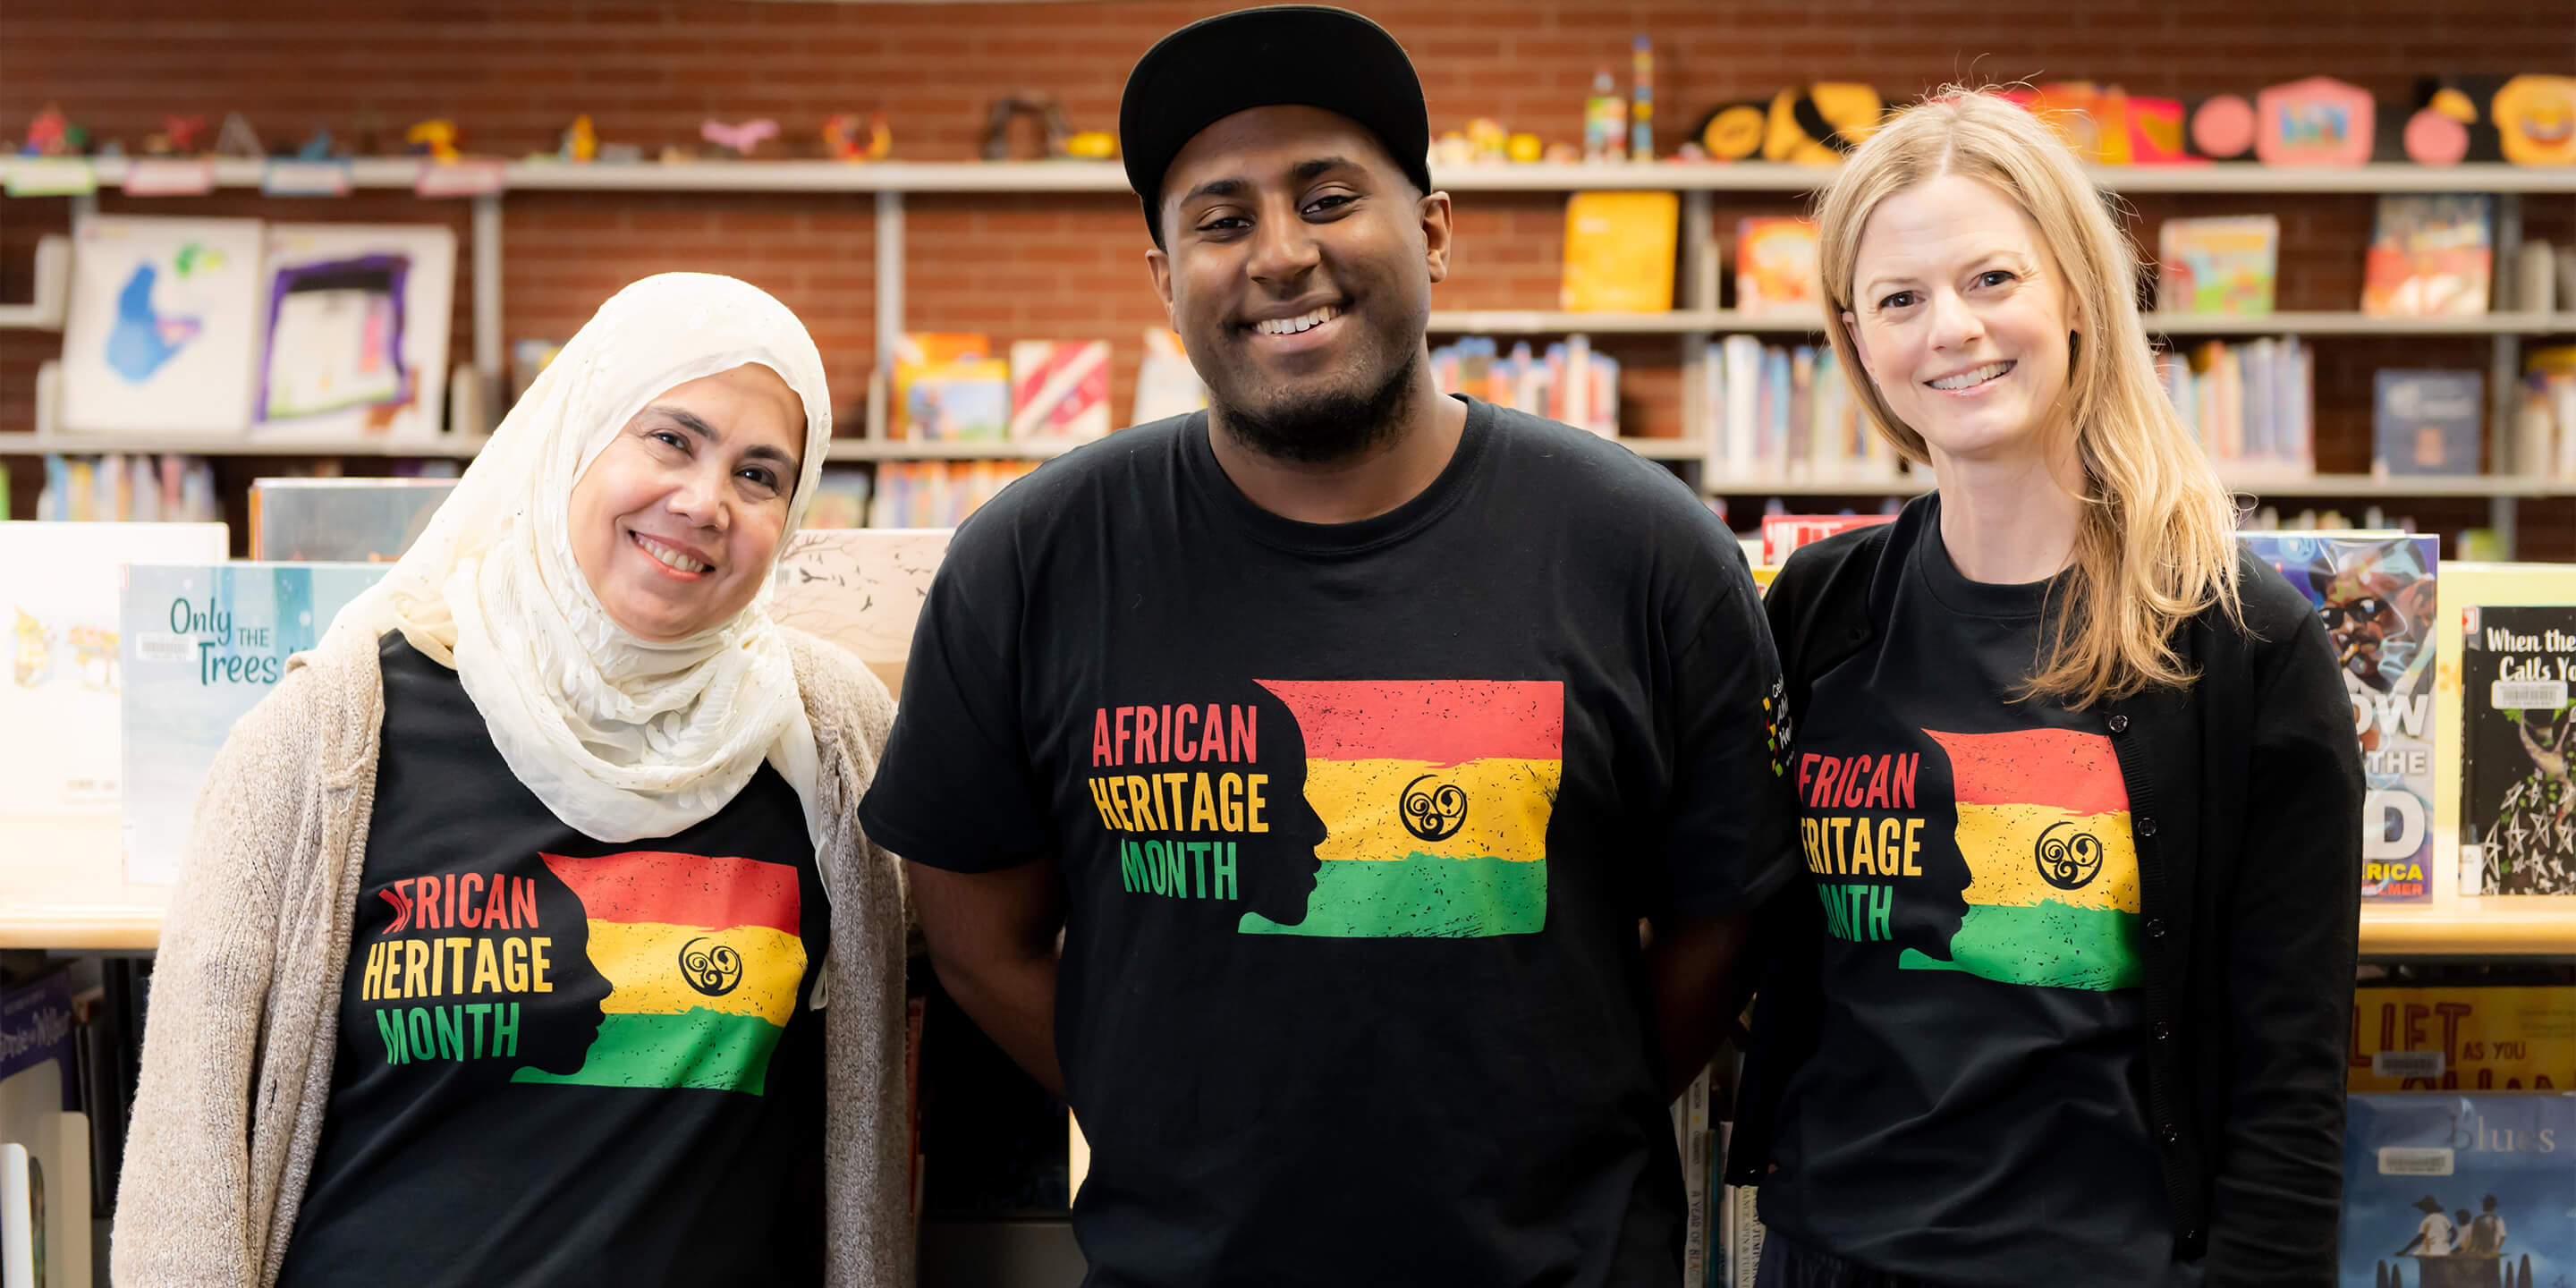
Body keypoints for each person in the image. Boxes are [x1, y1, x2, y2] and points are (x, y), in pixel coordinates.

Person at [855, 7, 1798, 1284]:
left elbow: (1720, 918)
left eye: (1330, 196)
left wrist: (1562, 1104)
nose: (1281, 255)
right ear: (1163, 276)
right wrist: (1169, 1115)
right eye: (1223, 218)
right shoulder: (1033, 558)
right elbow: (975, 935)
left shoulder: (1646, 550)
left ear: (1434, 229)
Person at [114, 274, 911, 1288]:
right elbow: (185, 1163)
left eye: (760, 475)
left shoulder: (825, 737)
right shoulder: (327, 738)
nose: (705, 501)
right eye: (670, 439)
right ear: (574, 433)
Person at [1723, 90, 2364, 1287]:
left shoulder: (2241, 643)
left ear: (2075, 291)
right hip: (1833, 1250)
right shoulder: (1818, 610)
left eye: (1992, 280)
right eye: (1900, 300)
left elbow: (2293, 1073)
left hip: (2110, 1262)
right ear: (1856, 336)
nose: (1951, 329)